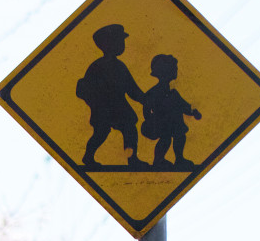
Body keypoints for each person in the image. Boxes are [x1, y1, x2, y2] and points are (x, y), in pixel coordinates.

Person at [76, 23, 145, 168]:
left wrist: (146, 100)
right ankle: (88, 157)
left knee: (129, 129)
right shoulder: (97, 66)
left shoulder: (120, 67)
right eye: (119, 41)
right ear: (108, 44)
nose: (122, 44)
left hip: (120, 107)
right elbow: (84, 88)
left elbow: (132, 89)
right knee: (101, 133)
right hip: (103, 109)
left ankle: (132, 159)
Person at [142, 53, 202, 168]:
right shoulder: (154, 92)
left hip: (176, 123)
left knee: (180, 137)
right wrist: (150, 121)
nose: (176, 71)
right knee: (165, 140)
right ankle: (158, 161)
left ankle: (179, 159)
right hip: (162, 123)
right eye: (174, 68)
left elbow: (184, 105)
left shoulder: (173, 93)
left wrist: (193, 112)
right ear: (166, 71)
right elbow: (146, 107)